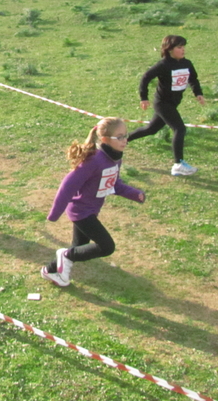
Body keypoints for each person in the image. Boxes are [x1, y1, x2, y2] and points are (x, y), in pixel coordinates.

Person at [41, 117, 145, 287]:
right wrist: (54, 214)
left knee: (79, 246)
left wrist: (135, 194)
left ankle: (50, 271)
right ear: (104, 139)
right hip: (81, 212)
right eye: (119, 137)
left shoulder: (115, 158)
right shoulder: (94, 161)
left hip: (91, 210)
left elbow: (114, 184)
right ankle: (64, 257)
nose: (125, 140)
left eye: (125, 135)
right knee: (106, 246)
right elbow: (68, 186)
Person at [127, 35, 205, 176]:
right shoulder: (163, 65)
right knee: (179, 129)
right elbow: (146, 77)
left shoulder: (186, 63)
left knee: (151, 129)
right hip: (162, 103)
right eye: (179, 47)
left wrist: (198, 93)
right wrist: (144, 97)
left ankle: (120, 141)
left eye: (183, 47)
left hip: (173, 103)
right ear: (169, 49)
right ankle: (178, 164)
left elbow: (193, 79)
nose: (183, 50)